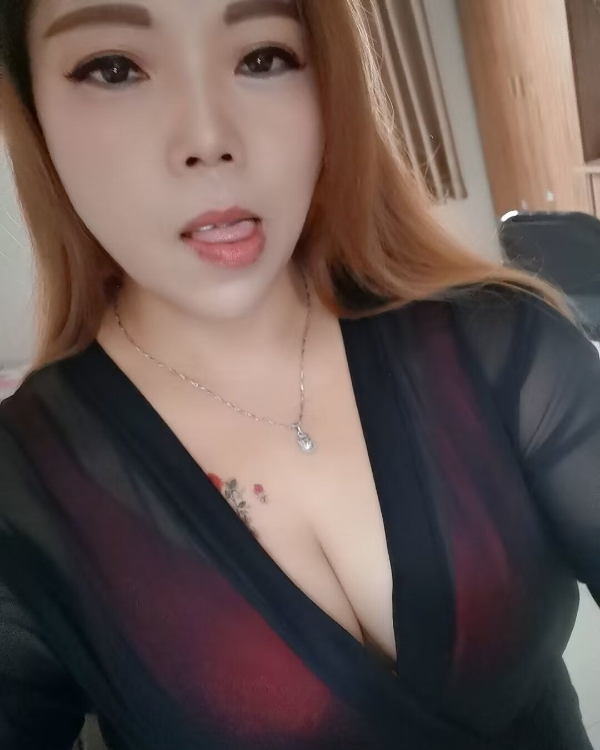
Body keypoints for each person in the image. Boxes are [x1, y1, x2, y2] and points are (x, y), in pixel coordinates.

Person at [0, 1, 598, 748]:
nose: (209, 140)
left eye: (263, 58)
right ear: (29, 106)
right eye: (113, 69)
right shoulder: (22, 486)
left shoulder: (501, 343)